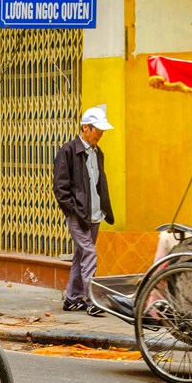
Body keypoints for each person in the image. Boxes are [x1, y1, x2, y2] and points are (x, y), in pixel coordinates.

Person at [53, 107, 115, 317]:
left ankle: (71, 299)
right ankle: (92, 300)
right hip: (78, 215)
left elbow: (99, 184)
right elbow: (60, 187)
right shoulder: (68, 151)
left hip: (96, 214)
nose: (101, 134)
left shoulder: (98, 153)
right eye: (97, 129)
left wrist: (104, 209)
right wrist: (73, 211)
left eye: (102, 130)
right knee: (89, 254)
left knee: (81, 256)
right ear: (85, 127)